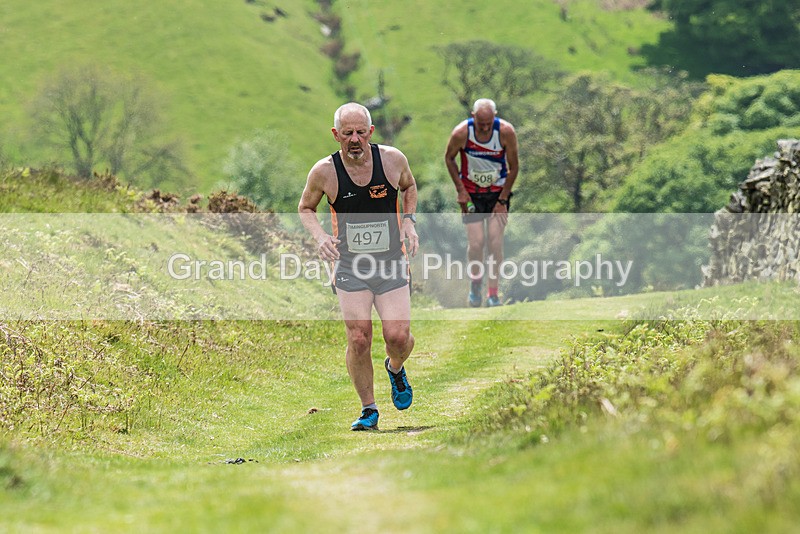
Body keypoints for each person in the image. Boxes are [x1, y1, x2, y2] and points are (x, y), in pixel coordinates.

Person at [298, 102, 419, 431]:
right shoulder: (324, 171)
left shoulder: (392, 160)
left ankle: (395, 368)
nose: (354, 139)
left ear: (371, 132)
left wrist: (409, 222)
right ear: (335, 134)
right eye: (347, 133)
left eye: (360, 132)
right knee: (359, 338)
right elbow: (306, 208)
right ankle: (369, 409)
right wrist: (320, 236)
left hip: (391, 262)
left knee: (398, 337)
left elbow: (409, 186)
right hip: (349, 264)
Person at [444, 98, 519, 307]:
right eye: (480, 124)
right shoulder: (461, 133)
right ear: (473, 116)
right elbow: (449, 158)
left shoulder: (506, 132)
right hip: (472, 195)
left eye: (488, 123)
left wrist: (503, 199)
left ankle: (493, 294)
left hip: (497, 194)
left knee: (495, 243)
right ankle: (476, 283)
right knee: (477, 243)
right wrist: (461, 191)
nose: (485, 128)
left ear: (495, 116)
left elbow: (514, 167)